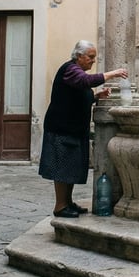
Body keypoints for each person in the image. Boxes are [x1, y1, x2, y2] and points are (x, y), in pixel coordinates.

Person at [39, 40, 127, 218]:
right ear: (79, 56)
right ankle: (60, 206)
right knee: (62, 169)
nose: (93, 61)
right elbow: (86, 80)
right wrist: (113, 74)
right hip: (61, 128)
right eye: (90, 57)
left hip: (72, 129)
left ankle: (68, 202)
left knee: (70, 168)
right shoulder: (70, 70)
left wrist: (96, 97)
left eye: (94, 57)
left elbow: (78, 96)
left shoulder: (76, 72)